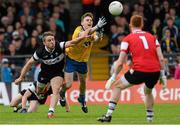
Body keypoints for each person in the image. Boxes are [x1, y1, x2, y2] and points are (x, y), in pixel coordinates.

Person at [97, 15, 167, 123]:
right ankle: (150, 119)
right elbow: (161, 59)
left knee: (117, 86)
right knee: (147, 92)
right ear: (142, 25)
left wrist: (113, 77)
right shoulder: (153, 37)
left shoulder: (127, 39)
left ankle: (108, 115)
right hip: (155, 72)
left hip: (139, 71)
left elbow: (120, 62)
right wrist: (163, 76)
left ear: (130, 25)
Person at [14, 31, 90, 118]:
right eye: (49, 40)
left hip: (57, 73)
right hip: (44, 73)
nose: (52, 42)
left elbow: (72, 42)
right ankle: (23, 105)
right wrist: (21, 77)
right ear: (44, 42)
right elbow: (29, 63)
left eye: (53, 40)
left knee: (56, 89)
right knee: (40, 93)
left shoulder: (59, 46)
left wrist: (82, 38)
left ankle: (51, 112)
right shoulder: (40, 51)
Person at [59, 12, 107, 113]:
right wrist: (97, 26)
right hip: (71, 59)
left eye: (91, 20)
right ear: (82, 23)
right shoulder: (78, 30)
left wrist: (98, 34)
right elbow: (84, 35)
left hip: (83, 61)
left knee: (83, 82)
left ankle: (82, 98)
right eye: (87, 20)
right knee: (68, 84)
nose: (89, 21)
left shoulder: (92, 32)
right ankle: (62, 93)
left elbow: (95, 38)